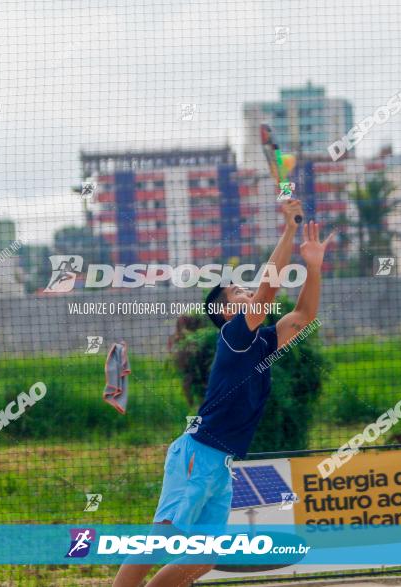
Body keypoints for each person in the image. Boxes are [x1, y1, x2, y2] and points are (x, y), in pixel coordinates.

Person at [113, 200, 332, 587]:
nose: (245, 290)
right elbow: (268, 290)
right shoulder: (233, 337)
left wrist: (313, 268)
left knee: (207, 554)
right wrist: (289, 229)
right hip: (197, 453)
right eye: (236, 291)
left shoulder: (261, 343)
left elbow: (303, 317)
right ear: (227, 313)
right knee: (163, 538)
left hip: (221, 463)